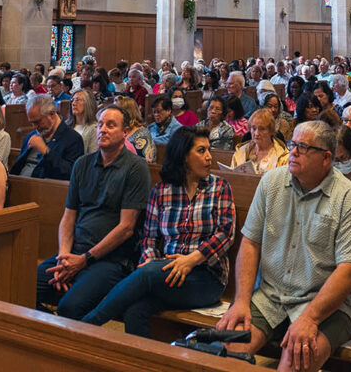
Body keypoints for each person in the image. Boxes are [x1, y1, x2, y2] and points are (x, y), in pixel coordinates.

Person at [217, 121, 351, 371]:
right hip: (271, 294)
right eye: (292, 145)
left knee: (295, 360)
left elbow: (349, 271)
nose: (293, 152)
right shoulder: (271, 183)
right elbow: (250, 242)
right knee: (223, 351)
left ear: (326, 158)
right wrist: (241, 301)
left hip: (326, 305)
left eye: (303, 147)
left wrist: (310, 318)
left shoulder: (350, 201)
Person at [81, 126, 236, 333]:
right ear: (183, 156)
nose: (209, 157)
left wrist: (191, 260)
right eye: (201, 151)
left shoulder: (220, 187)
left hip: (207, 278)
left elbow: (226, 234)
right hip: (167, 273)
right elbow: (149, 238)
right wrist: (150, 259)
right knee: (135, 311)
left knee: (147, 274)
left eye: (209, 150)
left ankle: (86, 326)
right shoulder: (161, 192)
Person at [36, 105, 150, 320]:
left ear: (125, 132)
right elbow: (69, 216)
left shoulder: (135, 167)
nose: (102, 130)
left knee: (69, 307)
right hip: (74, 253)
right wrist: (64, 258)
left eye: (110, 125)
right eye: (100, 125)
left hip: (110, 260)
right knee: (21, 288)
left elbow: (126, 228)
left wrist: (84, 260)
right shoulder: (83, 164)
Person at [10, 94, 84, 179]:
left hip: (47, 188)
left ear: (52, 114)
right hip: (19, 184)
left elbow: (70, 173)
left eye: (37, 122)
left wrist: (46, 151)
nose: (34, 127)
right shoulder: (31, 136)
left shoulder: (73, 139)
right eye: (32, 123)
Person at [231, 109, 289, 174]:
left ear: (271, 130)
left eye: (262, 129)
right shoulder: (240, 152)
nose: (256, 133)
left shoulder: (282, 156)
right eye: (254, 128)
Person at [114, 95, 156, 162]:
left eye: (116, 112)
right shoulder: (121, 130)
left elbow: (146, 164)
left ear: (126, 113)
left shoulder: (142, 135)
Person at [67, 89, 99, 154]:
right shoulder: (66, 125)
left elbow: (92, 157)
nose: (73, 103)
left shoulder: (94, 128)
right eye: (72, 100)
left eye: (77, 100)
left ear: (88, 103)